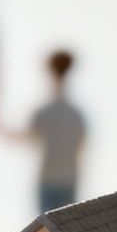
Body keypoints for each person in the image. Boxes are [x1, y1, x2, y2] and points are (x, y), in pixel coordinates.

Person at [25, 49, 87, 212]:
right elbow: (82, 147)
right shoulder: (76, 115)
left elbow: (27, 138)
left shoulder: (44, 112)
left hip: (48, 178)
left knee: (45, 225)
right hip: (69, 177)